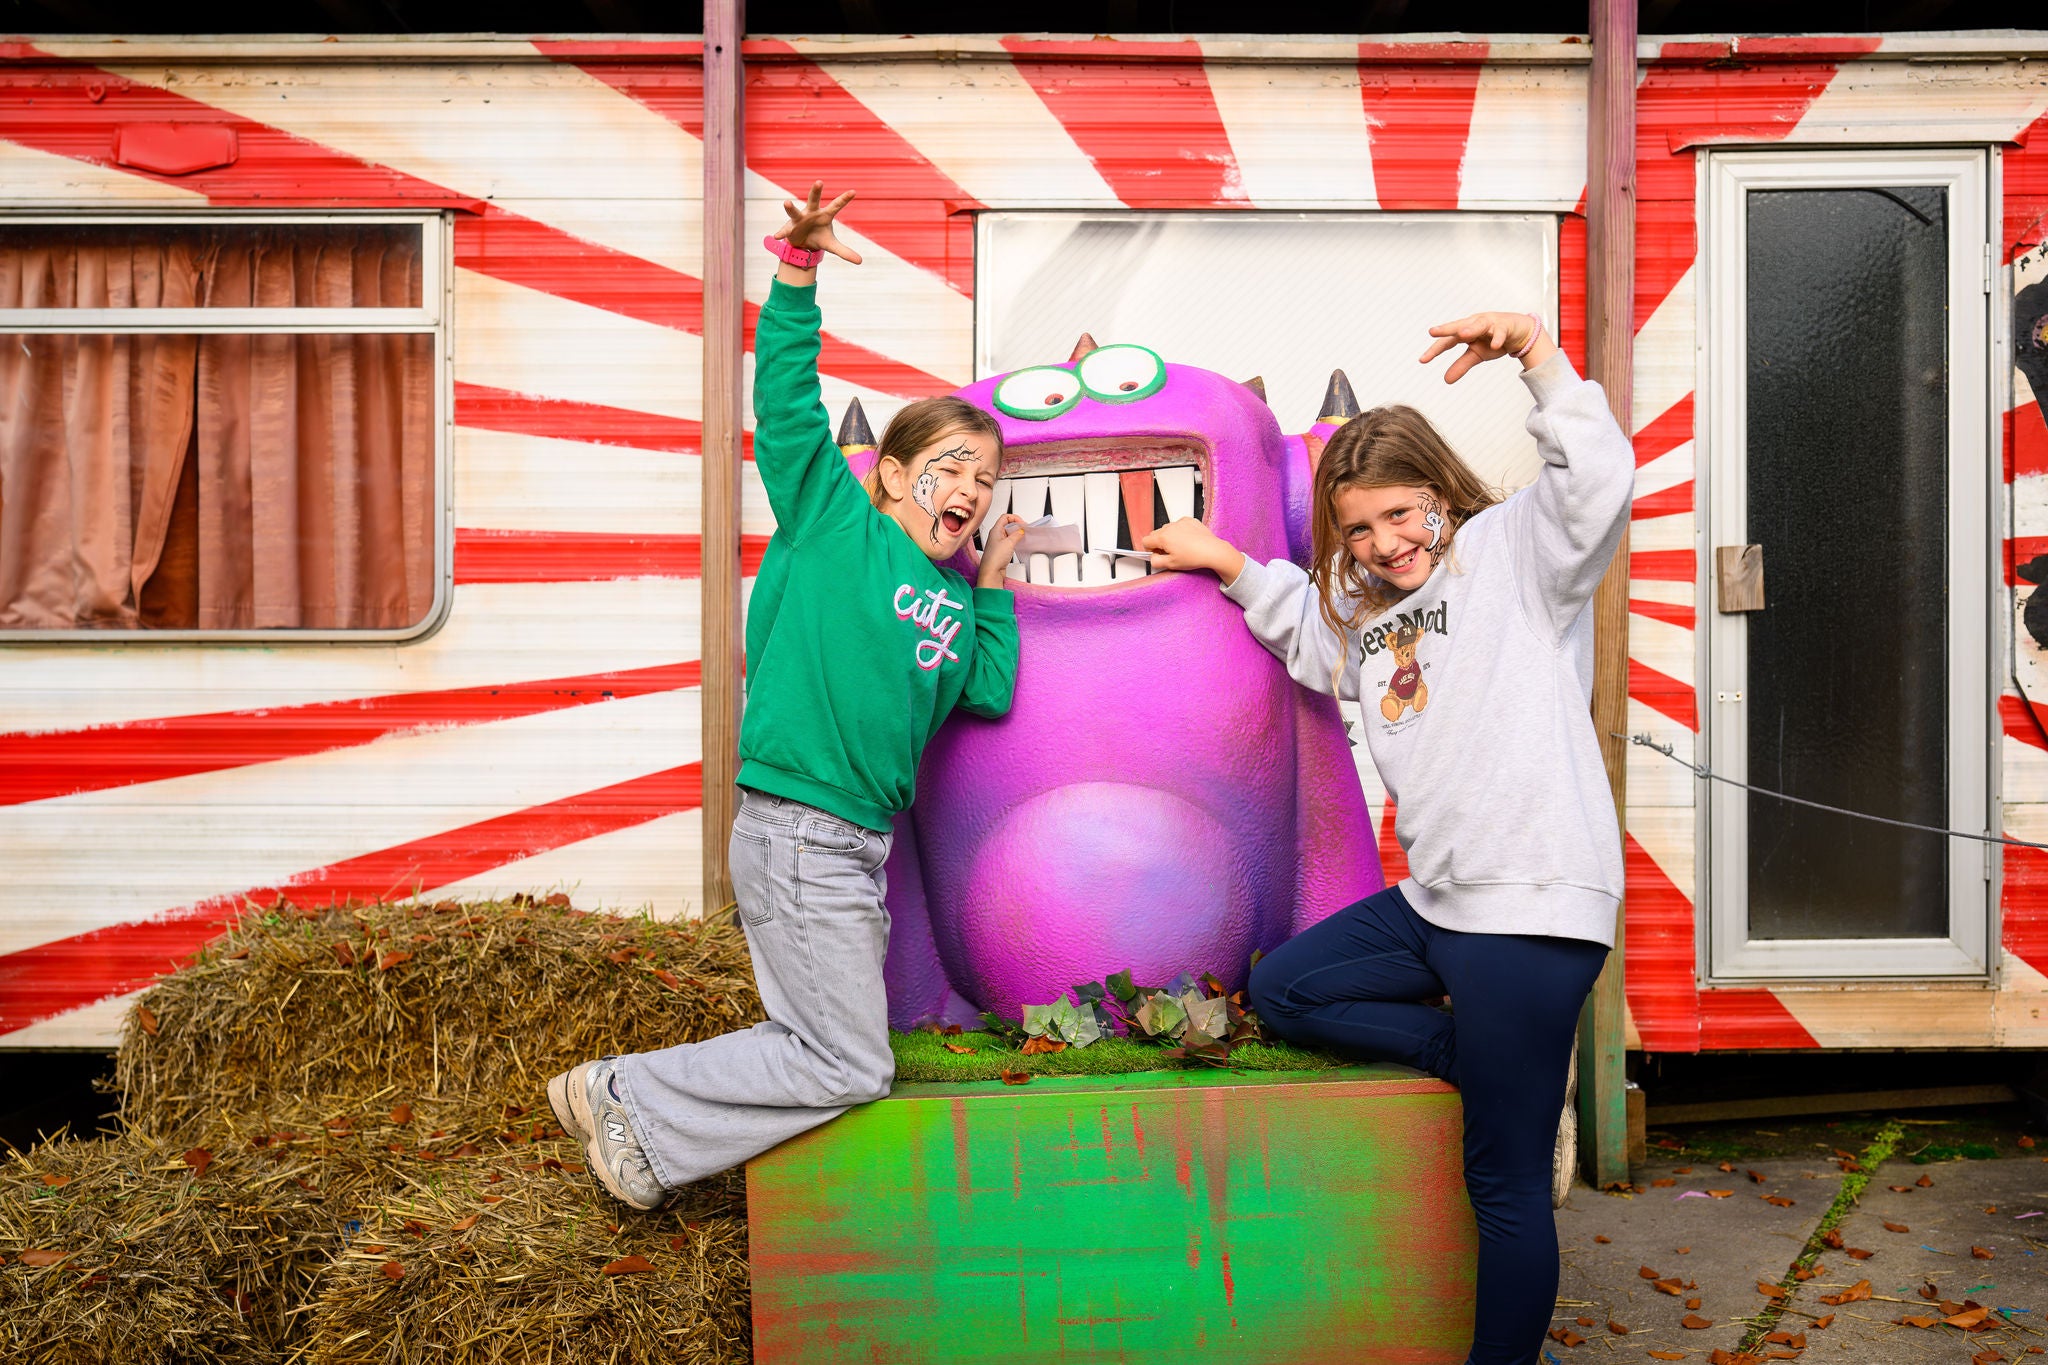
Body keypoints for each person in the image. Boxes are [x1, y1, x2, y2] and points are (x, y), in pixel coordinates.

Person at [1144, 311, 1631, 1365]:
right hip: (1440, 903)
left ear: (1443, 497)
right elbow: (1306, 631)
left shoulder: (1517, 557)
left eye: (1401, 515)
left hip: (1531, 905)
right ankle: (1491, 1067)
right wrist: (1225, 559)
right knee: (1287, 989)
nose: (1384, 544)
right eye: (1358, 528)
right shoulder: (1368, 606)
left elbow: (1594, 479)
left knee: (1498, 1187)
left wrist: (1539, 362)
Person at [547, 183, 1028, 1209]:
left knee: (817, 1047)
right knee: (850, 1064)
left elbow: (983, 697)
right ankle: (623, 1091)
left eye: (987, 481)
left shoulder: (948, 596)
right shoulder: (830, 522)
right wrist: (797, 273)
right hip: (799, 829)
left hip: (856, 844)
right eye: (952, 468)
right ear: (893, 476)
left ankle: (639, 1143)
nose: (972, 492)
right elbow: (784, 399)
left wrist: (988, 591)